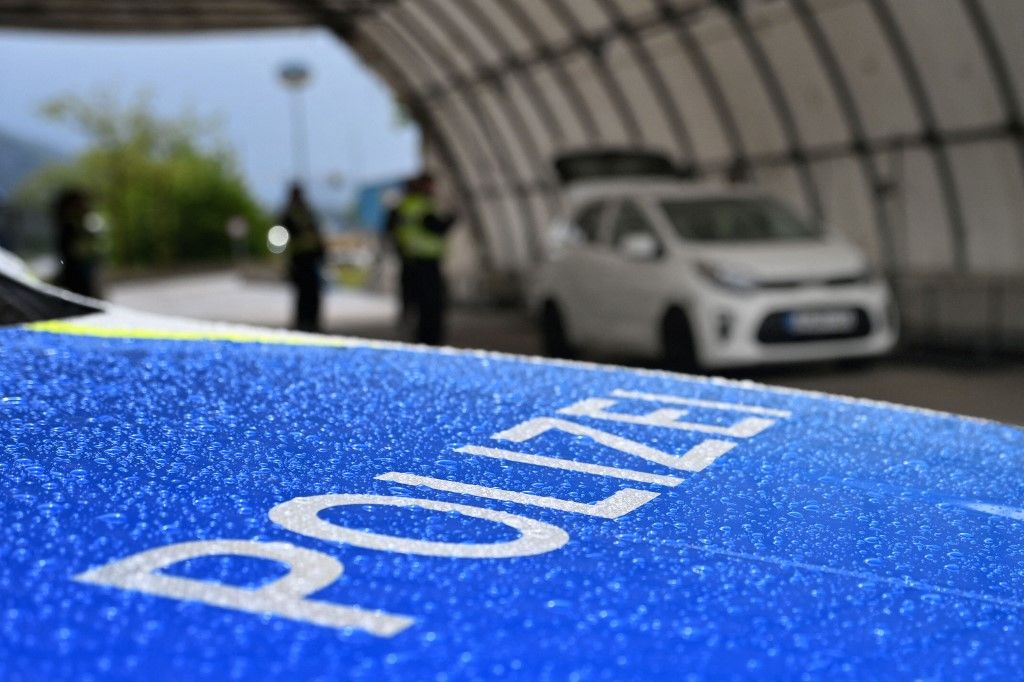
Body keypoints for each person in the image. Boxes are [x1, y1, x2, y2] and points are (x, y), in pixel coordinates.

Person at [393, 173, 455, 345]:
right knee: (431, 305)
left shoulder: (405, 205)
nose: (433, 189)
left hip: (411, 260)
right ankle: (429, 340)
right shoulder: (420, 206)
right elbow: (436, 228)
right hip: (425, 263)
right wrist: (451, 219)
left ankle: (421, 337)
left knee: (416, 303)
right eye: (430, 185)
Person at [279, 183, 325, 332]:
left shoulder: (306, 212)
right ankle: (303, 323)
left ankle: (312, 322)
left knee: (312, 292)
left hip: (311, 258)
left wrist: (321, 251)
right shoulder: (289, 214)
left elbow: (316, 235)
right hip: (299, 259)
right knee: (303, 294)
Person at [53, 187, 100, 298]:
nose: (85, 206)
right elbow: (75, 254)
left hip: (81, 276)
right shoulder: (69, 230)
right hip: (77, 278)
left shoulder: (80, 227)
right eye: (79, 204)